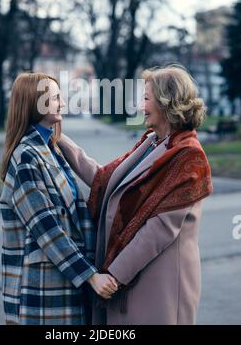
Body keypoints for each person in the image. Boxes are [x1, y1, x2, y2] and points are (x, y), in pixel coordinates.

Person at [58, 65, 213, 325]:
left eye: (146, 98)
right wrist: (61, 139)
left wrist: (114, 275)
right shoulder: (152, 142)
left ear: (167, 102)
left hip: (159, 284)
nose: (141, 106)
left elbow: (160, 229)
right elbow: (104, 179)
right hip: (134, 278)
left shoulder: (188, 155)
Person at [0, 72, 117, 325]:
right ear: (34, 102)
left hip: (63, 283)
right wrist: (90, 275)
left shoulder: (50, 149)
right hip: (43, 290)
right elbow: (47, 228)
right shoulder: (27, 157)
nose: (63, 103)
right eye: (55, 98)